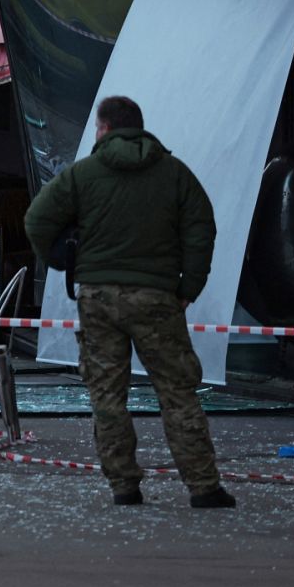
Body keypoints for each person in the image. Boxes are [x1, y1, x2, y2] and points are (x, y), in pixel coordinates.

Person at [24, 95, 234, 509]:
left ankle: (124, 486)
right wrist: (187, 287)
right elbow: (201, 230)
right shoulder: (175, 174)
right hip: (157, 297)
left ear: (104, 129)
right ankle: (204, 487)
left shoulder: (81, 176)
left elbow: (36, 220)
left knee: (107, 395)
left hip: (98, 297)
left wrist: (63, 260)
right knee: (178, 392)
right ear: (138, 127)